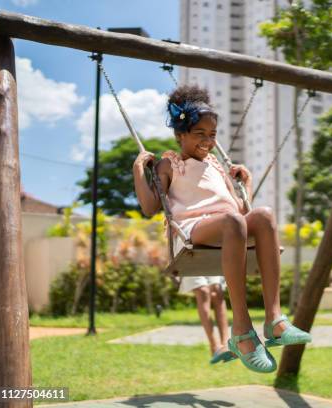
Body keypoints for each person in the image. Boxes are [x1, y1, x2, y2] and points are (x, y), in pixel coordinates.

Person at [133, 85, 311, 373]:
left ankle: (275, 321)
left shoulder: (216, 166)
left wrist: (247, 184)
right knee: (232, 222)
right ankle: (241, 332)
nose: (208, 141)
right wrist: (138, 171)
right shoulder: (170, 163)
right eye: (199, 134)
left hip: (230, 227)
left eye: (212, 135)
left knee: (263, 215)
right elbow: (151, 207)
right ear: (180, 135)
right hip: (193, 229)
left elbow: (242, 213)